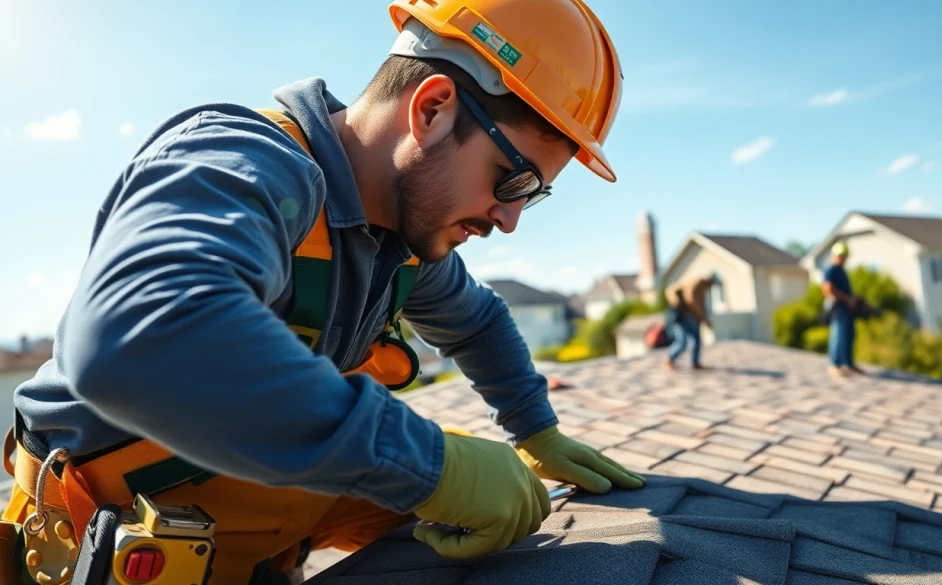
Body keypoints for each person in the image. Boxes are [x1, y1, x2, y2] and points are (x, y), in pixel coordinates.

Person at [1, 2, 646, 584]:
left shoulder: (405, 242)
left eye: (535, 195)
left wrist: (535, 430)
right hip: (102, 544)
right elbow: (132, 339)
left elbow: (476, 322)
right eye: (514, 181)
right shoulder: (247, 163)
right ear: (432, 108)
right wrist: (430, 466)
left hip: (253, 541)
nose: (510, 219)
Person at [821, 241, 864, 377]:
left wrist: (853, 299)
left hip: (846, 309)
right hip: (838, 308)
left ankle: (848, 363)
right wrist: (847, 299)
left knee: (848, 335)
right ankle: (835, 364)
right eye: (840, 255)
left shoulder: (842, 271)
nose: (842, 258)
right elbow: (827, 288)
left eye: (844, 255)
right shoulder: (831, 270)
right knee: (838, 335)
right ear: (834, 256)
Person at [662, 273, 719, 370]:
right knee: (682, 341)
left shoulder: (701, 285)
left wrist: (702, 317)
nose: (711, 287)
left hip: (687, 314)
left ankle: (695, 363)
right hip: (680, 314)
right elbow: (692, 301)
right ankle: (669, 359)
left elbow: (697, 303)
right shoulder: (698, 284)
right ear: (710, 281)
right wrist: (702, 317)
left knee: (695, 339)